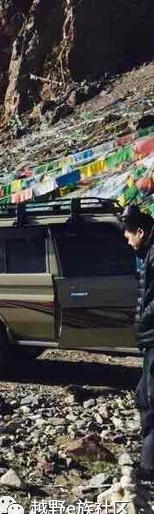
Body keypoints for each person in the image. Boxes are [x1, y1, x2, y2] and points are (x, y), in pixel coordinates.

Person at [121, 204, 154, 480]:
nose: (126, 239)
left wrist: (144, 321)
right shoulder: (148, 254)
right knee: (145, 395)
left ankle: (150, 467)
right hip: (150, 339)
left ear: (140, 231)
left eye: (128, 233)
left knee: (151, 398)